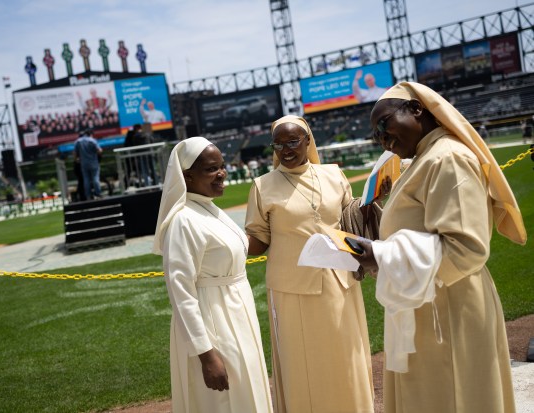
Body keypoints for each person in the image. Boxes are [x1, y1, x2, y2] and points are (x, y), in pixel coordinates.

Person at [353, 81, 527, 413]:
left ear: (416, 109)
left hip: (450, 305)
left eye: (383, 125)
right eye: (375, 136)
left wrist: (383, 255)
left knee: (454, 396)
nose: (382, 139)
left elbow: (466, 249)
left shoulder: (447, 158)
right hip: (429, 301)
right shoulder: (424, 157)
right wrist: (380, 253)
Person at [245, 114, 385, 413]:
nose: (286, 150)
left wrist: (375, 198)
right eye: (279, 144)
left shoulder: (334, 174)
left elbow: (352, 218)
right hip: (291, 288)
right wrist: (226, 241)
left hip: (339, 279)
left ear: (308, 141)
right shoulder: (263, 186)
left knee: (344, 356)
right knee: (302, 363)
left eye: (293, 141)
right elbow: (258, 238)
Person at [153, 137, 273, 413]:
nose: (221, 174)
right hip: (213, 322)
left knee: (247, 390)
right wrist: (206, 355)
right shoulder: (183, 220)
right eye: (211, 169)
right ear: (187, 176)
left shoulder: (209, 208)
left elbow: (244, 245)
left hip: (236, 313)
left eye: (222, 166)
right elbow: (181, 293)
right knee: (223, 402)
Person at [73, 128, 102, 200]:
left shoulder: (78, 141)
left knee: (86, 180)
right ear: (91, 134)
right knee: (95, 178)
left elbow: (75, 153)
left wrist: (77, 159)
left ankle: (88, 195)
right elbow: (99, 151)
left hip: (84, 163)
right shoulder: (92, 141)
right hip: (93, 162)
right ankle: (98, 193)